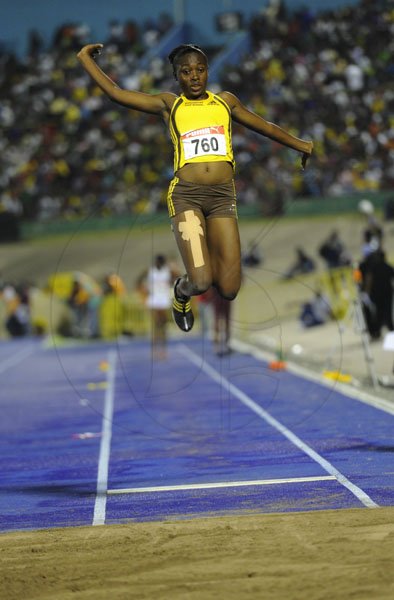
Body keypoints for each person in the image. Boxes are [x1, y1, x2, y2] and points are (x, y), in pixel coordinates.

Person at [77, 42, 313, 332]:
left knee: (229, 288)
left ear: (207, 72)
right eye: (186, 72)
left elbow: (264, 126)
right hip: (187, 197)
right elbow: (116, 94)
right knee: (200, 281)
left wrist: (302, 145)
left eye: (200, 70)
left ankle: (203, 265)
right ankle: (181, 290)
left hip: (222, 198)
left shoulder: (225, 102)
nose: (194, 76)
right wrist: (85, 60)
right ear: (177, 77)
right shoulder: (170, 104)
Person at [137, 254, 177, 359]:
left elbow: (178, 277)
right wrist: (143, 290)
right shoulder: (150, 271)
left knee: (163, 327)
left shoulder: (167, 271)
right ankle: (154, 350)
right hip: (153, 301)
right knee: (155, 327)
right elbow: (139, 280)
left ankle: (163, 350)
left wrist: (173, 285)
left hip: (164, 301)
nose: (158, 264)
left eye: (160, 262)